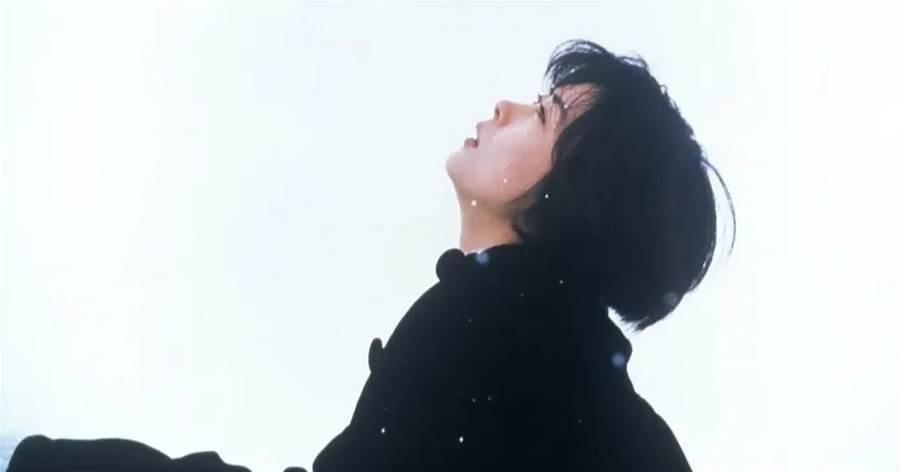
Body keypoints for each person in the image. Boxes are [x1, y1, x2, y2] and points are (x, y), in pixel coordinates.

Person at [7, 38, 734, 472]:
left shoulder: (496, 327)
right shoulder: (556, 359)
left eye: (543, 115)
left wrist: (27, 461)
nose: (504, 108)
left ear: (578, 194)